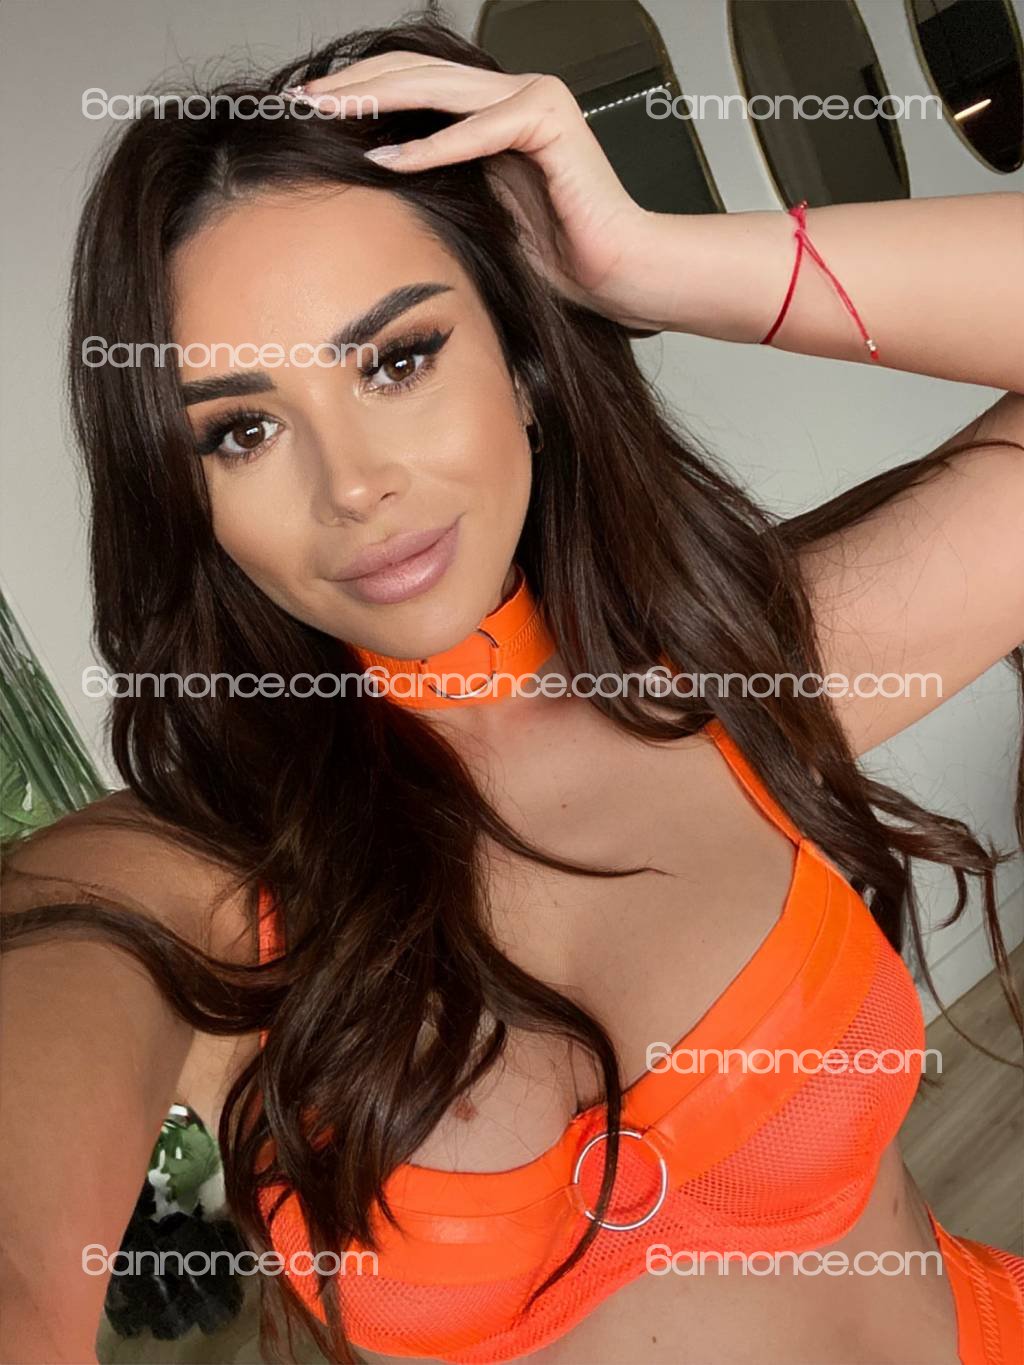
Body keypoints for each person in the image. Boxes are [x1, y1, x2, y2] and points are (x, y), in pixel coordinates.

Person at [2, 15, 1023, 1365]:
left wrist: (649, 265)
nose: (355, 485)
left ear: (524, 365)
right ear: (185, 498)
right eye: (242, 429)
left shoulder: (740, 666)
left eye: (398, 359)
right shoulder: (175, 883)